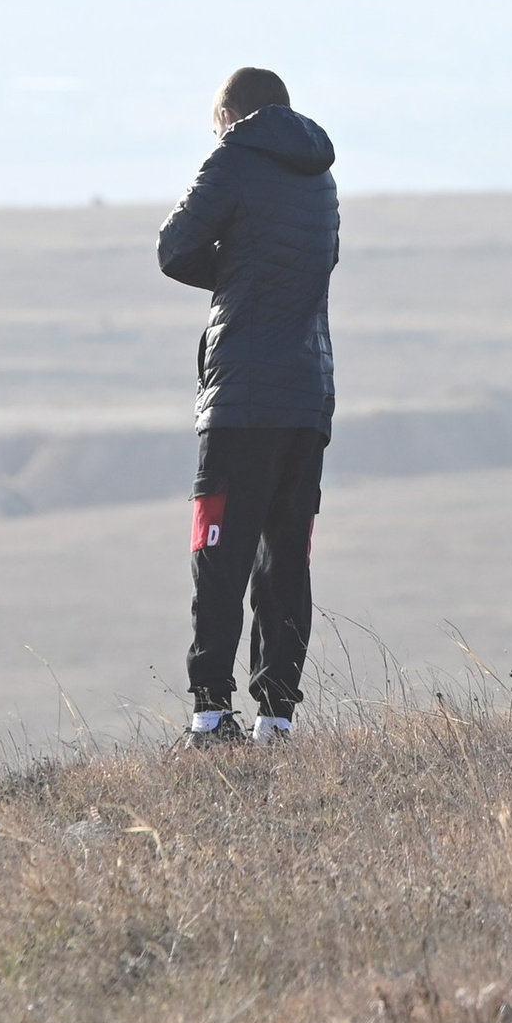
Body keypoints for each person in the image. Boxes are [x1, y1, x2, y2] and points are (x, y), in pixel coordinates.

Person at [157, 66, 340, 748]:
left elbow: (174, 248)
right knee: (286, 559)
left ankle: (210, 714)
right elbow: (318, 262)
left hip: (242, 396)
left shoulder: (232, 159)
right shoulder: (320, 174)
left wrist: (234, 278)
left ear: (231, 115)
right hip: (308, 391)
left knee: (219, 554)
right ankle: (277, 718)